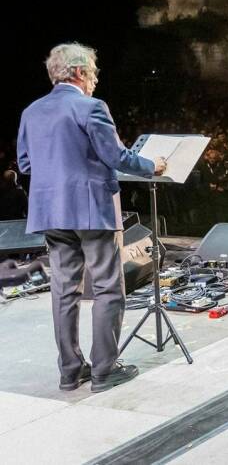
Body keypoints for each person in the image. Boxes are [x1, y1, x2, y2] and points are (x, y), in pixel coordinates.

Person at [17, 43, 166, 393]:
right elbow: (116, 156)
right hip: (90, 211)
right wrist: (152, 166)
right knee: (108, 288)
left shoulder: (31, 111)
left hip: (50, 212)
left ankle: (70, 371)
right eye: (94, 73)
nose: (95, 81)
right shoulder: (91, 107)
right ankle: (104, 369)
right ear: (80, 73)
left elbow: (25, 165)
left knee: (64, 291)